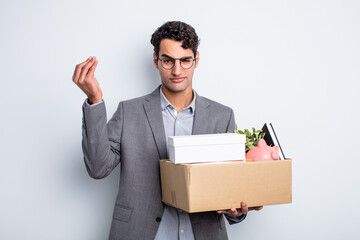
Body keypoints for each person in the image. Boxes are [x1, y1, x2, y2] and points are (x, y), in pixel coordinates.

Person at [72, 21, 262, 240]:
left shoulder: (222, 116)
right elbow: (98, 168)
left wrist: (236, 212)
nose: (177, 70)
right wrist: (95, 101)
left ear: (196, 60)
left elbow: (230, 187)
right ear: (156, 60)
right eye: (168, 60)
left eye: (185, 60)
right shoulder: (129, 111)